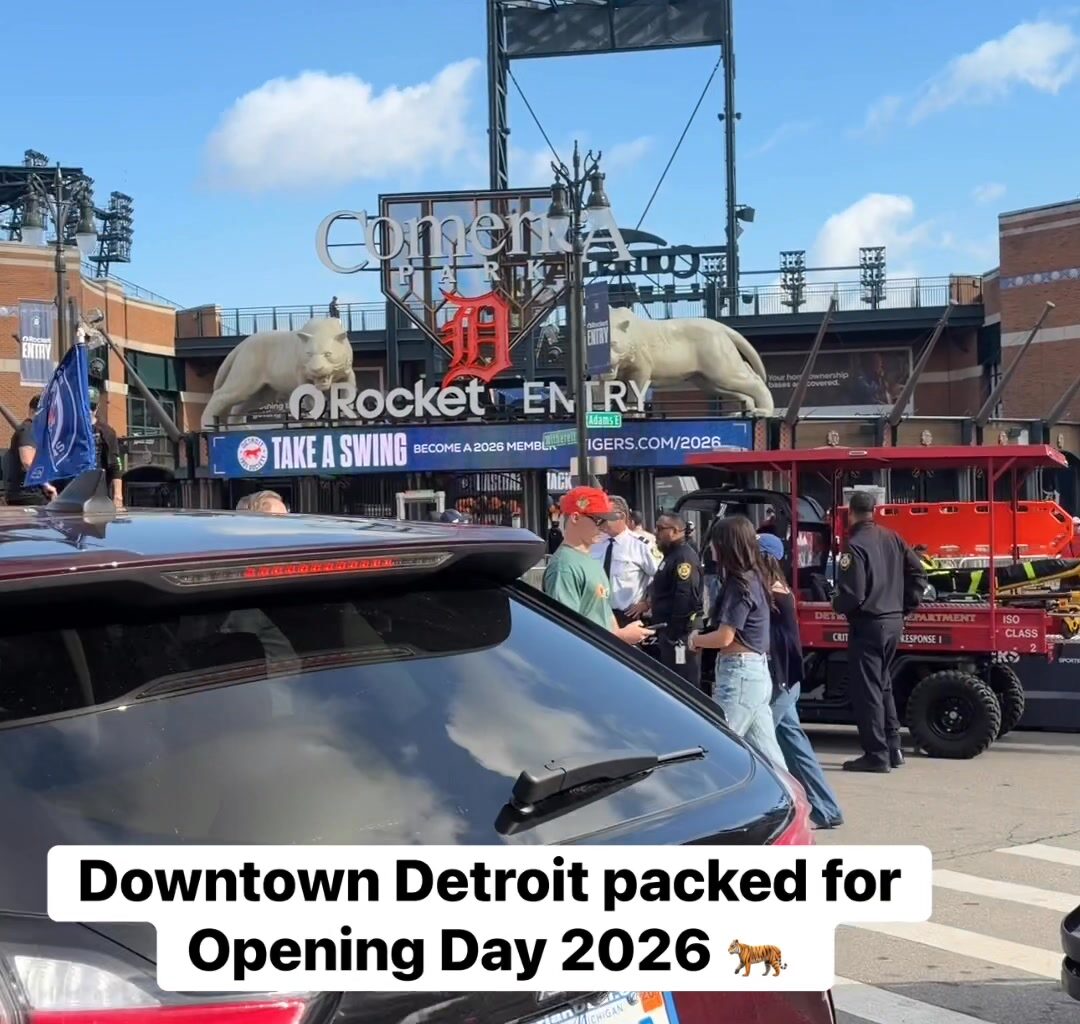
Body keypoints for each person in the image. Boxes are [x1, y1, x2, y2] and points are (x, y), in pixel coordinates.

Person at [832, 490, 928, 773]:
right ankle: (893, 747)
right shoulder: (892, 537)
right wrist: (905, 606)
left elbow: (853, 594)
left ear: (850, 512)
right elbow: (918, 573)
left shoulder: (855, 545)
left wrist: (836, 603)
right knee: (883, 683)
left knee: (868, 691)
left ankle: (876, 755)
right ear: (874, 511)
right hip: (893, 621)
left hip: (869, 624)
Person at [758, 533, 844, 830]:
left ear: (764, 557)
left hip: (780, 681)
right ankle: (827, 808)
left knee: (758, 745)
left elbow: (773, 644)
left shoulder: (772, 594)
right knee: (795, 746)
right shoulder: (777, 590)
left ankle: (787, 812)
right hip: (787, 680)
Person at [688, 515, 787, 771]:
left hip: (739, 674)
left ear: (726, 545)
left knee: (718, 749)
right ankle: (796, 806)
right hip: (755, 672)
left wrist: (696, 639)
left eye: (714, 542)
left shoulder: (739, 582)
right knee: (771, 760)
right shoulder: (755, 577)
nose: (710, 547)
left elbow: (725, 637)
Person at [543, 486, 654, 645]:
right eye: (598, 520)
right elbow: (566, 631)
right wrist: (622, 637)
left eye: (606, 520)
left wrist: (621, 636)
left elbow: (604, 612)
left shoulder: (588, 558)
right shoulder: (564, 567)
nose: (603, 527)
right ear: (575, 518)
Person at [647, 512, 705, 690]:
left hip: (680, 635)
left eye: (660, 529)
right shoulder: (672, 555)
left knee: (683, 685)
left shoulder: (683, 557)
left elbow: (685, 596)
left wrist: (674, 632)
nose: (656, 533)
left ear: (674, 531)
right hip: (669, 633)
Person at [590, 494, 657, 626]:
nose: (600, 522)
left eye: (605, 518)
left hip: (626, 616)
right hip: (597, 613)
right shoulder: (594, 544)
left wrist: (647, 603)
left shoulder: (641, 546)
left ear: (621, 516)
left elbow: (661, 577)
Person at [4, 395, 56, 506]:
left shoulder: (34, 431)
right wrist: (46, 485)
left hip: (30, 495)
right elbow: (27, 462)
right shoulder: (28, 429)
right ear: (32, 411)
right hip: (27, 496)